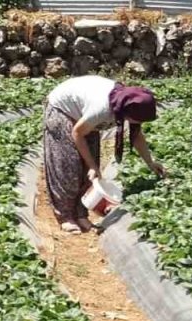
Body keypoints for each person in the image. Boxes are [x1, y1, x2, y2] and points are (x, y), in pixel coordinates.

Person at [43, 75, 165, 233]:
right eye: (138, 120)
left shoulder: (125, 105)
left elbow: (137, 137)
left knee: (91, 173)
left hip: (84, 115)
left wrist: (150, 162)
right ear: (128, 113)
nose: (139, 123)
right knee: (67, 165)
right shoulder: (102, 109)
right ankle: (65, 216)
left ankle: (81, 215)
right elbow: (77, 134)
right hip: (62, 110)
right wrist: (93, 166)